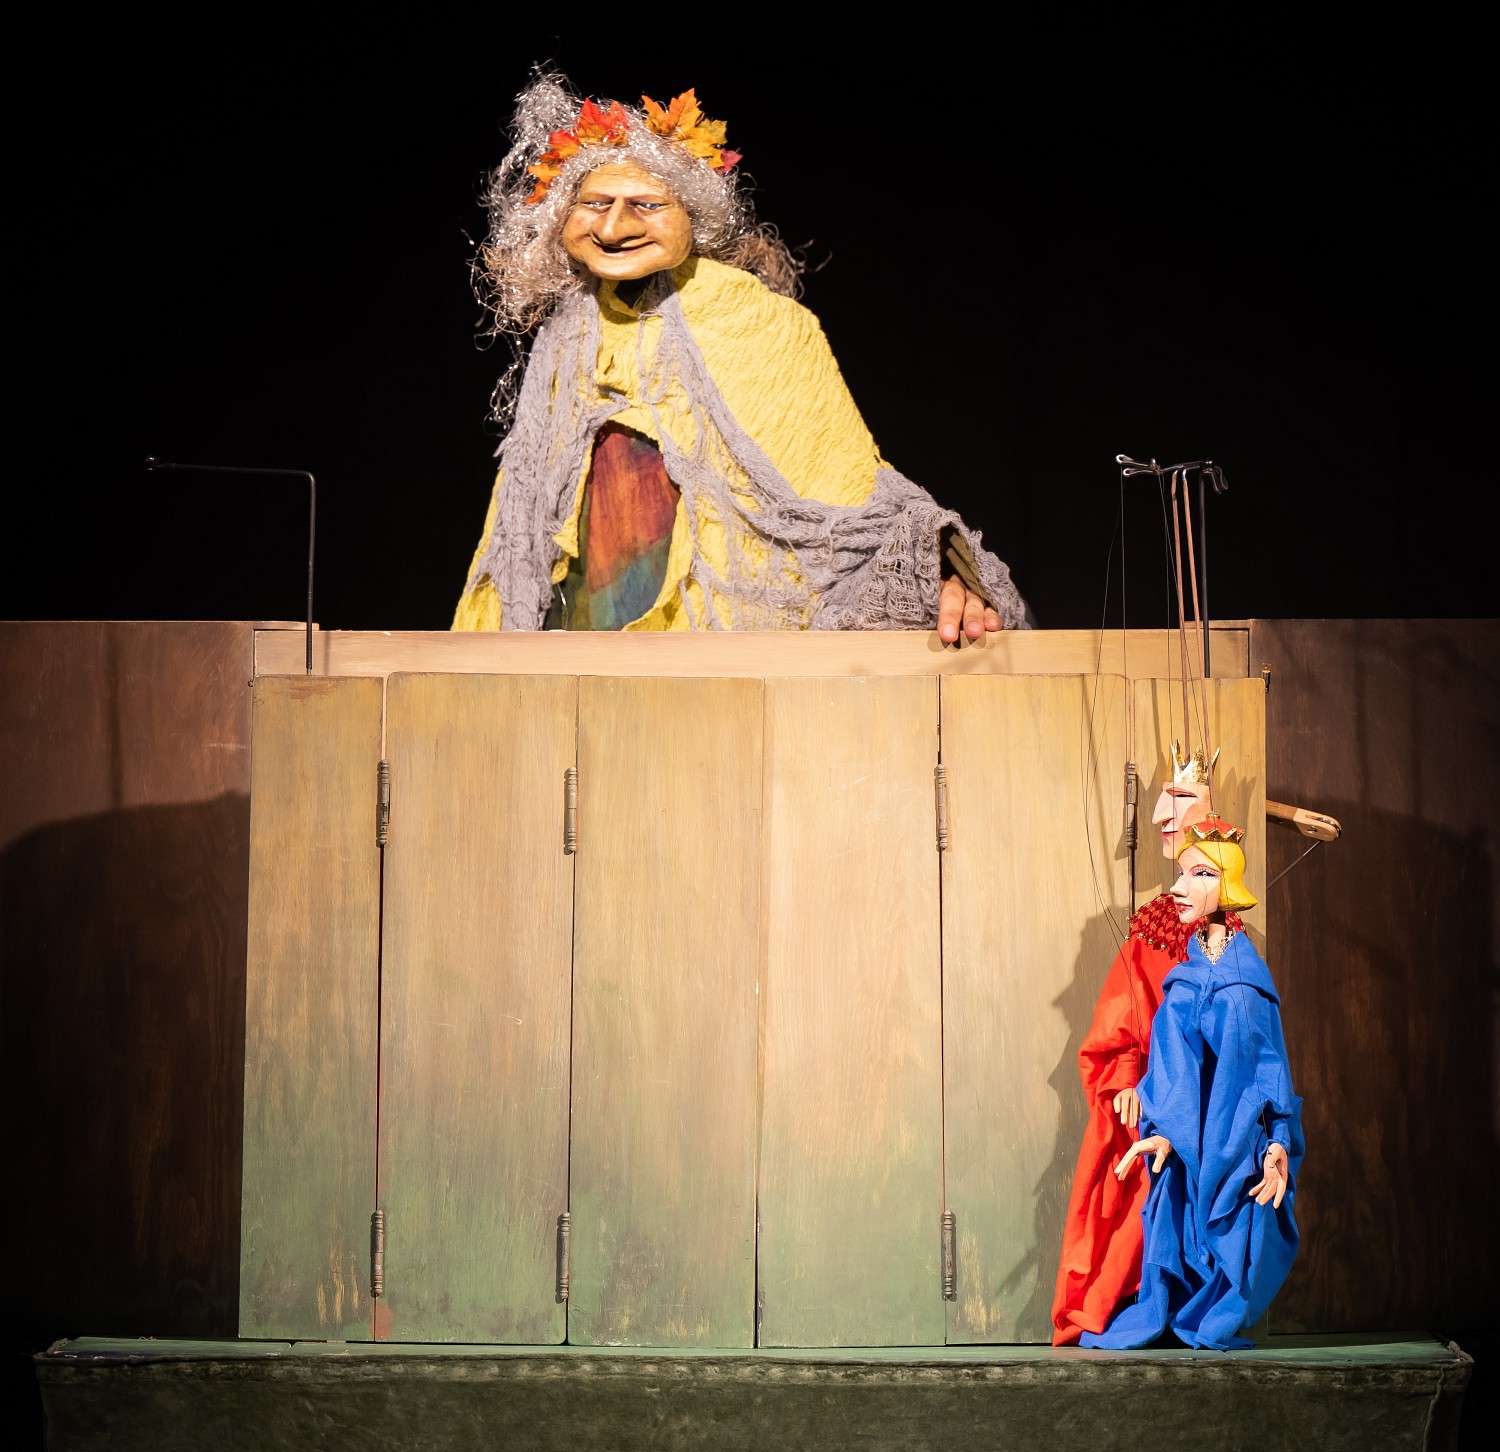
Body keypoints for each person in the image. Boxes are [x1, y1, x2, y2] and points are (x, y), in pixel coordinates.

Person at [452, 76, 1027, 638]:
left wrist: (939, 573)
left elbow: (844, 490)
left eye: (646, 204)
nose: (614, 226)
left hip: (713, 645)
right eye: (595, 203)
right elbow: (521, 518)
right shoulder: (565, 336)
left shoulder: (758, 322)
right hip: (574, 640)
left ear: (692, 215)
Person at [1079, 816, 1304, 1350]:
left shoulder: (1247, 982)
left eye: (1200, 875)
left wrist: (1278, 1140)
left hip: (1234, 1135)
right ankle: (1173, 1307)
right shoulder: (1185, 975)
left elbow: (1268, 1064)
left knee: (1234, 1220)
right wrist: (1161, 1127)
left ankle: (1217, 1313)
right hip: (1188, 1134)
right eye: (1181, 874)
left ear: (1227, 885)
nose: (1179, 887)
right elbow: (1171, 1060)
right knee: (1172, 1210)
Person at [1050, 743, 1241, 1345]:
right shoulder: (1153, 930)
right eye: (1162, 797)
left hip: (1211, 1097)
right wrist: (1128, 1079)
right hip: (1157, 1093)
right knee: (1133, 1159)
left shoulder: (1229, 939)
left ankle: (1203, 1302)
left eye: (1180, 798)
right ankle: (1141, 1294)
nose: (1162, 814)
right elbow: (1124, 1022)